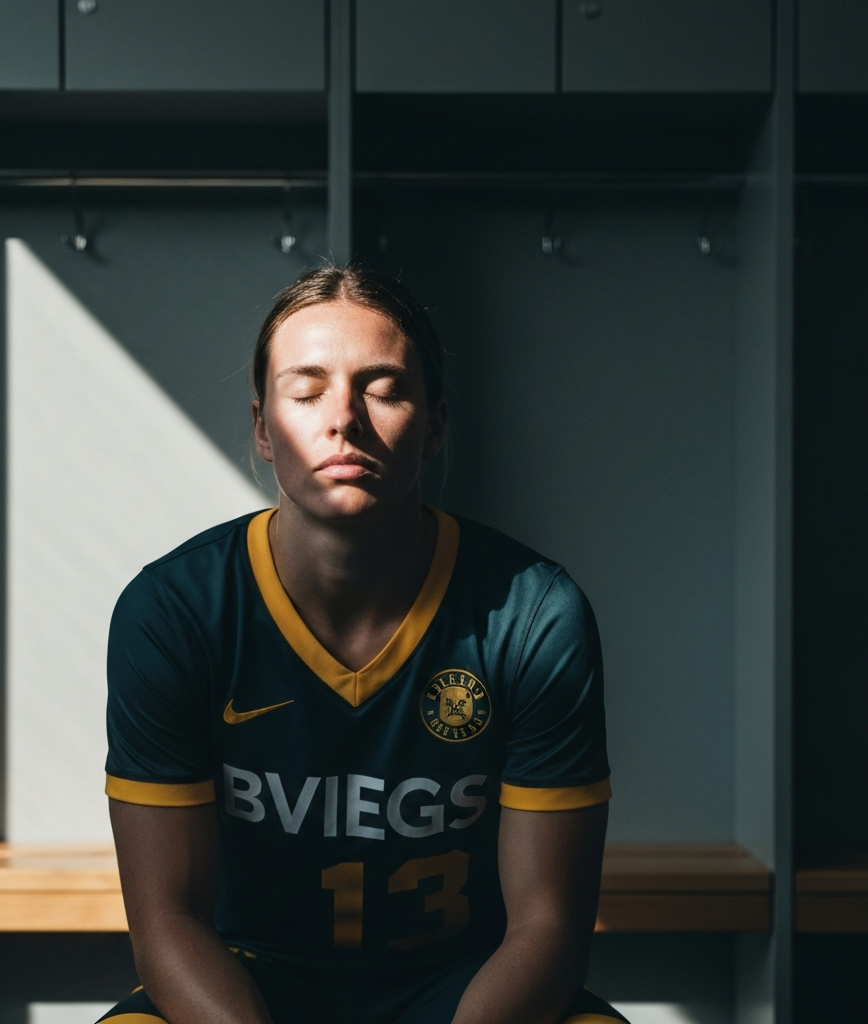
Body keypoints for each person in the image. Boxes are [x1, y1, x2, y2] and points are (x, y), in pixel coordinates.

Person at [99, 266, 625, 1024]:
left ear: (436, 424)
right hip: (252, 986)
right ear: (261, 429)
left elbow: (549, 927)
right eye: (306, 391)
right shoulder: (175, 610)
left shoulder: (534, 612)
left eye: (383, 387)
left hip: (464, 986)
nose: (343, 418)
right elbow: (166, 924)